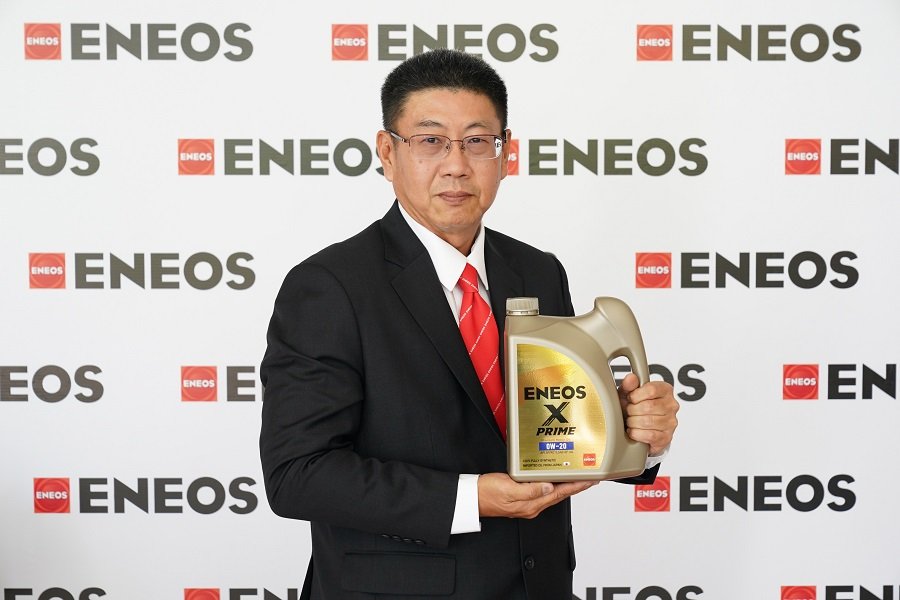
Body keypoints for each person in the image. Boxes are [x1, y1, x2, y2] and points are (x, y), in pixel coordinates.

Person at [259, 48, 679, 600]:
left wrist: (632, 433)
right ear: (387, 152)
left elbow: (552, 432)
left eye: (478, 141)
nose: (456, 164)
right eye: (430, 140)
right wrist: (471, 498)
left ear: (506, 154)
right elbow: (298, 475)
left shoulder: (537, 270)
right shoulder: (329, 286)